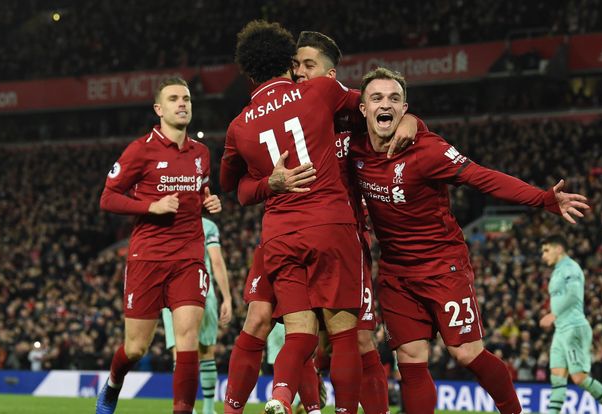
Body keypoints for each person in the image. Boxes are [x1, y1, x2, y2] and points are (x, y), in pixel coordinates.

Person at [348, 67, 591, 414]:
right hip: (396, 273)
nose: (385, 104)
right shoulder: (354, 148)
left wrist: (542, 199)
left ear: (404, 108)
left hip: (442, 265)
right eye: (376, 98)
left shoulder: (428, 150)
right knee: (410, 361)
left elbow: (482, 177)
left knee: (465, 353)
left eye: (394, 99)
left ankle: (513, 410)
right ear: (362, 108)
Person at [226, 30, 421, 414]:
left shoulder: (351, 114)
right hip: (294, 231)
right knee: (261, 318)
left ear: (330, 75)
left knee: (357, 340)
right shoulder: (304, 102)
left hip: (340, 229)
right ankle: (267, 406)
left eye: (308, 65)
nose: (299, 72)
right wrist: (271, 182)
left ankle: (313, 403)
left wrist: (411, 118)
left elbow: (382, 107)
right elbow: (241, 187)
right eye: (294, 65)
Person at [220, 21, 364, 414]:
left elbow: (232, 186)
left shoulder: (239, 126)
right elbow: (366, 103)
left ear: (248, 73)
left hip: (280, 236)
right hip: (330, 225)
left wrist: (269, 181)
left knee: (295, 333)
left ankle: (279, 399)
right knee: (344, 335)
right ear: (289, 62)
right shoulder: (319, 90)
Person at [96, 77, 222, 414]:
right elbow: (108, 198)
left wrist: (209, 201)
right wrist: (149, 207)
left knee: (187, 342)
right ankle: (112, 385)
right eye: (174, 99)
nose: (182, 104)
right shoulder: (141, 150)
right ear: (159, 109)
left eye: (187, 99)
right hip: (147, 258)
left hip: (189, 257)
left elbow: (201, 191)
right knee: (135, 348)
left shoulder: (201, 153)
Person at [540, 235, 602, 414]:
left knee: (579, 378)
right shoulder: (557, 270)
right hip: (561, 330)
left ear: (559, 249)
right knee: (557, 377)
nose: (543, 255)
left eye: (546, 250)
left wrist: (553, 314)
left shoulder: (571, 268)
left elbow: (573, 294)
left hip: (574, 327)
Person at [161, 215, 232, 414]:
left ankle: (185, 409)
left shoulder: (167, 222)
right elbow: (216, 262)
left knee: (179, 354)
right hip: (203, 291)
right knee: (206, 352)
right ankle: (209, 410)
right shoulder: (207, 225)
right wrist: (227, 297)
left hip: (171, 293)